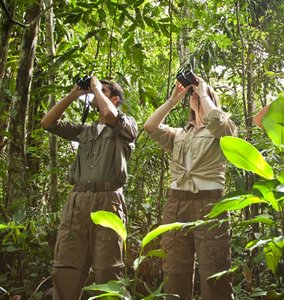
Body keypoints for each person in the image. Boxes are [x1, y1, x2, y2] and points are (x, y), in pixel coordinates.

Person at [41, 76, 138, 300]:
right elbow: (48, 123)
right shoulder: (85, 130)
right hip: (78, 201)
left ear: (114, 98)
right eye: (95, 90)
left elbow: (111, 117)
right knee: (67, 264)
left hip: (108, 201)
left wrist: (95, 87)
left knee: (108, 267)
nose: (95, 93)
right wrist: (75, 93)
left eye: (103, 91)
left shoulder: (126, 125)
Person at [144, 74, 237, 300]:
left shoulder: (222, 130)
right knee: (175, 272)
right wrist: (173, 101)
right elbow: (150, 126)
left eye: (198, 95)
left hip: (210, 205)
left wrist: (204, 91)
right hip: (176, 205)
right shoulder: (180, 134)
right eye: (193, 96)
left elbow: (219, 123)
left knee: (214, 273)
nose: (194, 97)